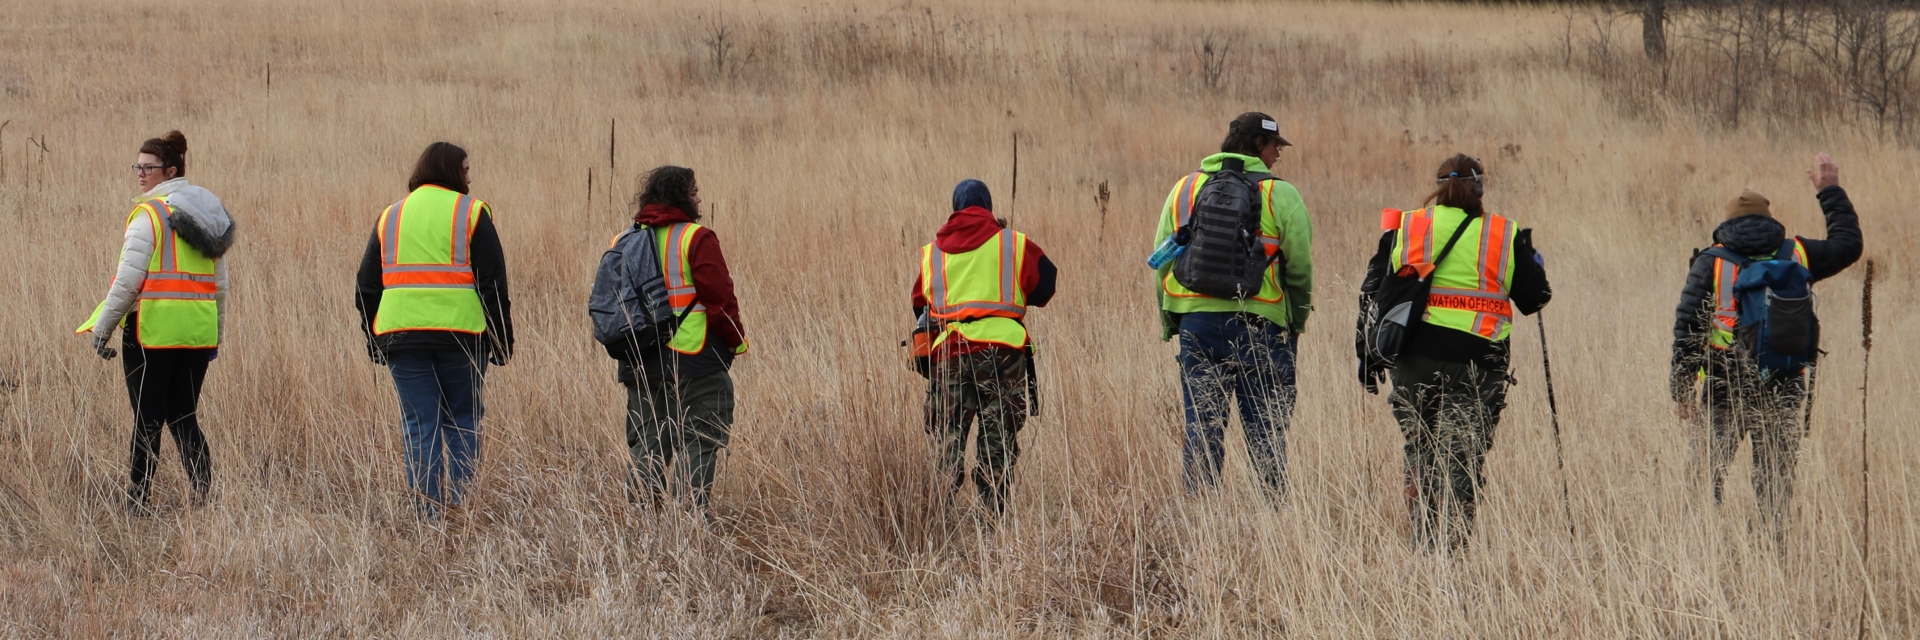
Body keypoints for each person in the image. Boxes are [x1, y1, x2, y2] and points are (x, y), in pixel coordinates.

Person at [1355, 154, 1551, 551]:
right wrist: (1533, 261)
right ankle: (1450, 555)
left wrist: (1368, 354)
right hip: (1477, 362)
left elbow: (1372, 293)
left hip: (1413, 360)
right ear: (1479, 188)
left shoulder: (1406, 227)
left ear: (1438, 186)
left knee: (1421, 451)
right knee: (1459, 460)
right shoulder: (1504, 233)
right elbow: (1536, 299)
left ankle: (1421, 546)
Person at [1670, 153, 1861, 539]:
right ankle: (1770, 561)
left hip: (1724, 388)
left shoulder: (1710, 262)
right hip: (1786, 382)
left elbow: (1687, 327)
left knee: (1702, 483)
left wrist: (1681, 388)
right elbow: (1848, 245)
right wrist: (1830, 192)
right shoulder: (1798, 253)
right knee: (1774, 487)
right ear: (1771, 221)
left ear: (1724, 226)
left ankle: (1700, 554)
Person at [1152, 112, 1313, 499]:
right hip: (1262, 326)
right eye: (1276, 147)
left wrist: (1170, 320)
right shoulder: (1281, 194)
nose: (1278, 155)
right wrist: (1296, 321)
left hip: (1197, 326)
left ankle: (1200, 523)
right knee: (1266, 434)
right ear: (1259, 144)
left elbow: (1162, 262)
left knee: (1202, 430)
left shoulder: (1185, 189)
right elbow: (1301, 268)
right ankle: (1270, 519)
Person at [76, 130, 235, 513]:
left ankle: (137, 503)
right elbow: (220, 288)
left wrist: (103, 328)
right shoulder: (208, 217)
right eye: (138, 166)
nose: (140, 174)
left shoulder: (149, 216)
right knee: (184, 417)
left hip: (151, 333)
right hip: (195, 334)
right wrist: (215, 336)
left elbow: (128, 282)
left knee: (147, 420)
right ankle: (203, 497)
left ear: (171, 171)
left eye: (148, 168)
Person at [354, 142, 514, 517]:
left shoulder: (390, 216)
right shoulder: (471, 213)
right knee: (463, 419)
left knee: (419, 424)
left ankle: (427, 517)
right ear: (451, 171)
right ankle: (461, 513)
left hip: (401, 337)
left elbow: (365, 286)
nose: (470, 176)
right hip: (462, 336)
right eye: (466, 168)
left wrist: (374, 339)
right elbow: (494, 283)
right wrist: (502, 340)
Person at [912, 179, 1056, 515]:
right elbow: (1046, 287)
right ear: (989, 208)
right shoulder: (1014, 244)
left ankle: (939, 520)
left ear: (955, 208)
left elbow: (919, 304)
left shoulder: (932, 253)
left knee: (947, 440)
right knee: (998, 440)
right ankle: (991, 521)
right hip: (1002, 353)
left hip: (950, 354)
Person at [619, 166, 748, 510]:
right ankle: (688, 527)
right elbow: (720, 299)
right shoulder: (697, 238)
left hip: (639, 360)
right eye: (693, 192)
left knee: (647, 444)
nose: (699, 198)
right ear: (679, 197)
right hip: (695, 360)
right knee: (699, 441)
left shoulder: (624, 240)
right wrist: (734, 343)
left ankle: (641, 527)